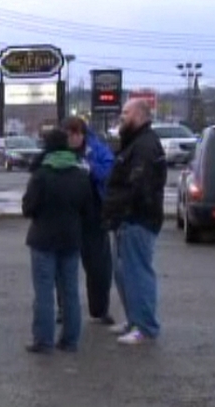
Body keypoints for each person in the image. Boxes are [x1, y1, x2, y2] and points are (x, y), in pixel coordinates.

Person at [22, 129, 93, 354]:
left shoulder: (41, 175)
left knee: (44, 291)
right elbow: (88, 209)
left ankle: (44, 340)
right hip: (71, 238)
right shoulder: (81, 175)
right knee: (70, 291)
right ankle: (70, 339)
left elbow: (28, 208)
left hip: (43, 238)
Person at [103, 99, 166, 345]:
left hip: (138, 220)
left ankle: (145, 326)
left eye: (125, 113)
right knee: (123, 274)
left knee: (138, 273)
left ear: (139, 116)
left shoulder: (145, 146)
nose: (121, 116)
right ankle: (133, 320)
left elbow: (139, 186)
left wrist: (123, 209)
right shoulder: (134, 143)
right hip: (124, 220)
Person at [61, 117, 116, 325]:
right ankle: (63, 308)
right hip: (67, 215)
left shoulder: (97, 149)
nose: (72, 138)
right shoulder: (58, 152)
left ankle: (100, 309)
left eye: (76, 134)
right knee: (64, 265)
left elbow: (109, 171)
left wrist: (90, 168)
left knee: (99, 267)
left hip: (94, 214)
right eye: (68, 134)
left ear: (83, 134)